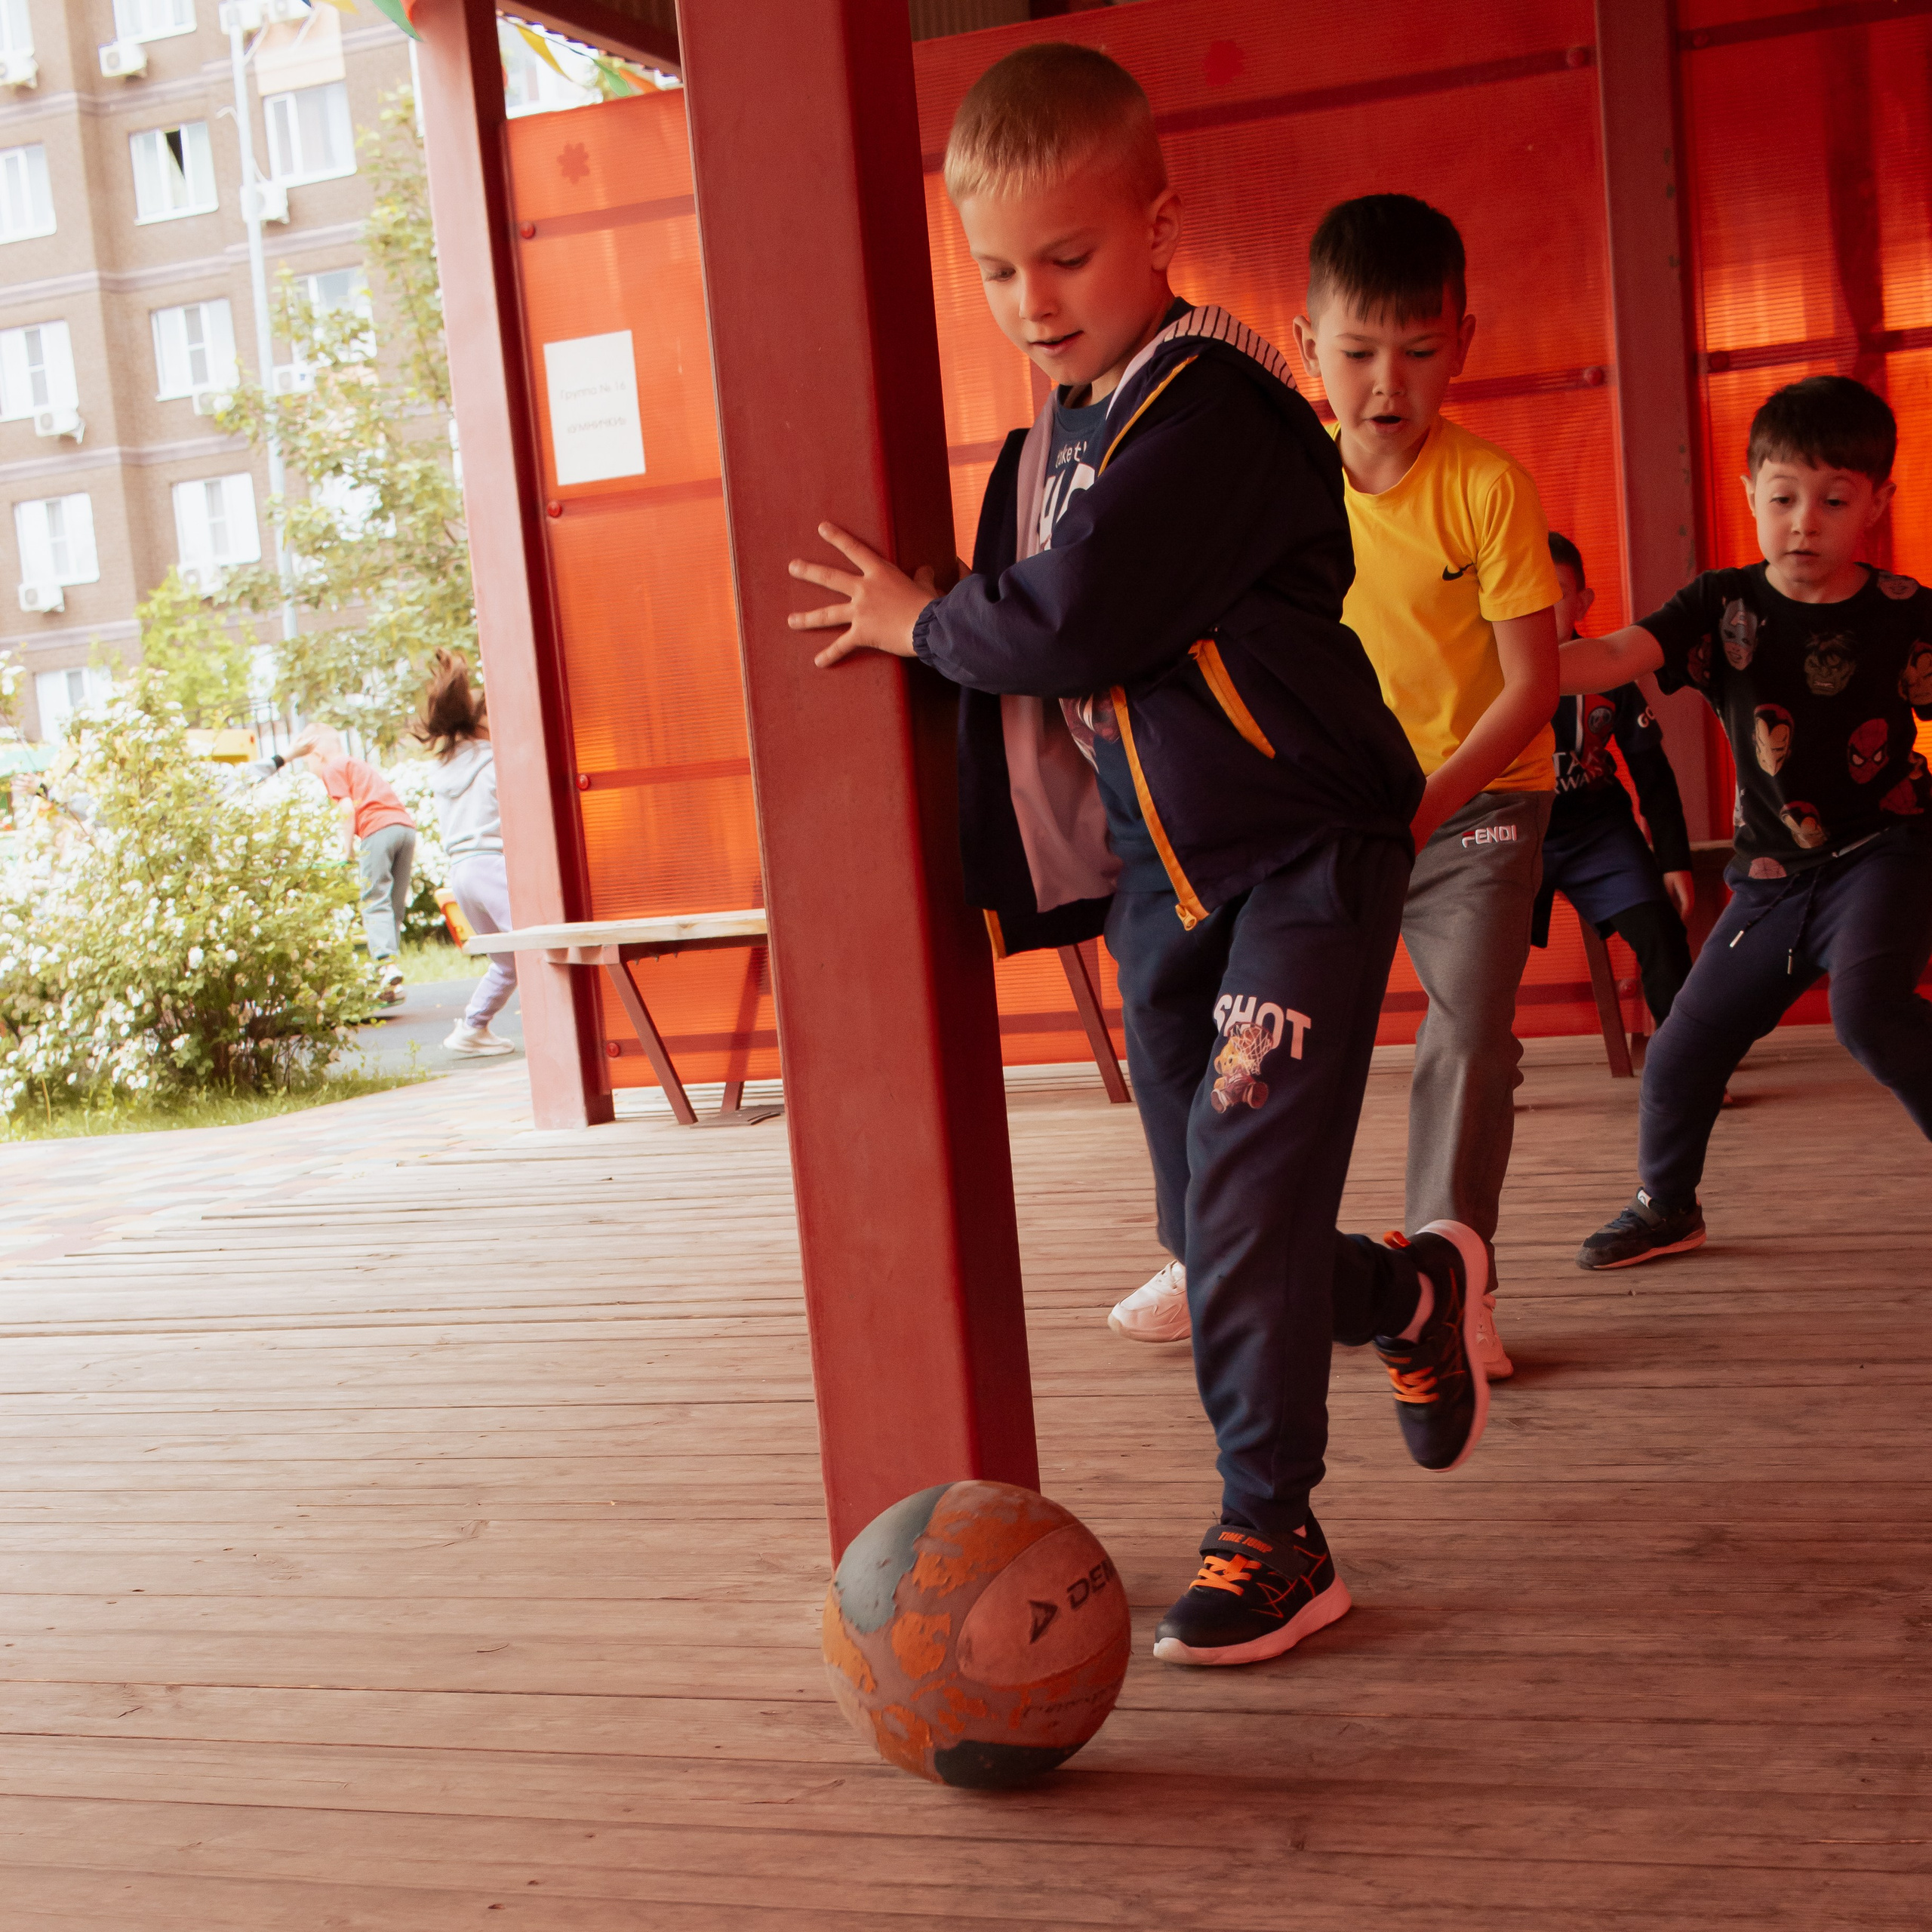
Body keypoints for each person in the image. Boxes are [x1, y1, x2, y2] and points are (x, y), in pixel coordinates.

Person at [785, 45, 1491, 1669]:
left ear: (1156, 221)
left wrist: (921, 623)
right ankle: (1402, 1298)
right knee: (1208, 1222)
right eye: (993, 268)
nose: (1030, 298)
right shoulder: (1065, 431)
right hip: (1165, 885)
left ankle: (1272, 1526)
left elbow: (1080, 612)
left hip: (1301, 853)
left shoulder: (1213, 406)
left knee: (1236, 1202)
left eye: (1067, 255)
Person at [1563, 374, 1932, 1268]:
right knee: (1680, 1049)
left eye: (1833, 499)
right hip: (1769, 881)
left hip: (1885, 850)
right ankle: (1667, 1206)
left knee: (1867, 1011)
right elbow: (1614, 655)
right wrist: (1501, 658)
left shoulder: (1905, 612)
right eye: (1782, 498)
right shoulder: (1720, 605)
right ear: (1748, 495)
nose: (1804, 520)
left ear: (1877, 502)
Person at [1534, 531, 1695, 1027]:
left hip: (1596, 832)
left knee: (1661, 931)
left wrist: (1674, 861)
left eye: (1554, 592)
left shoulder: (1610, 672)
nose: (1537, 606)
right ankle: (1475, 1077)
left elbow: (1652, 771)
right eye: (1523, 590)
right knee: (1472, 952)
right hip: (1514, 834)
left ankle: (1687, 1061)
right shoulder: (1479, 672)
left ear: (1582, 602)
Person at [411, 649, 518, 1057]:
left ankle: (473, 1028)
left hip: (462, 873)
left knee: (508, 961)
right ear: (480, 726)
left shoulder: (445, 768)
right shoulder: (493, 764)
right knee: (537, 948)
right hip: (492, 865)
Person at [290, 724, 417, 1006]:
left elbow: (347, 810)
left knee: (373, 899)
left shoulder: (333, 767)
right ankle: (388, 979)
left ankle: (386, 965)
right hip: (405, 829)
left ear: (319, 754)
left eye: (306, 760)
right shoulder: (357, 764)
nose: (308, 766)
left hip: (377, 831)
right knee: (392, 905)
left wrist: (346, 852)